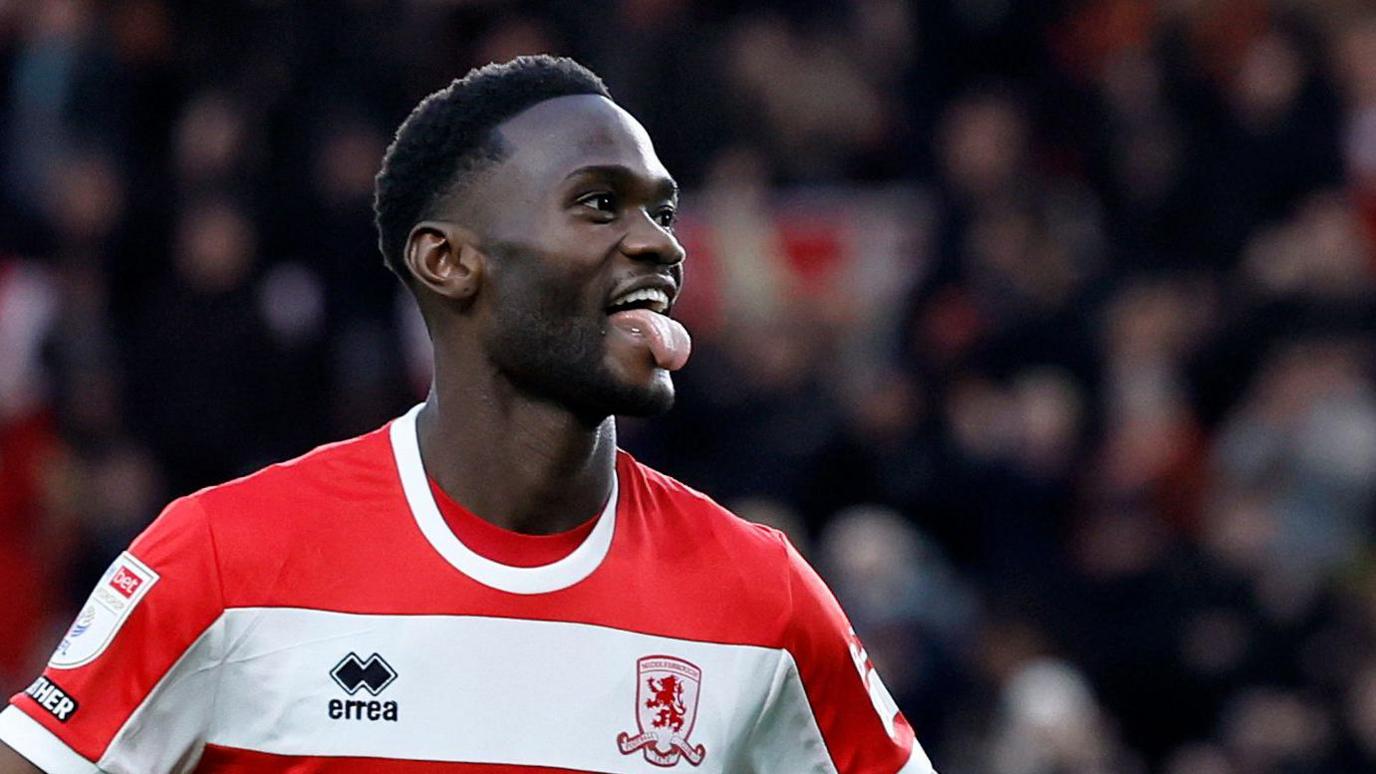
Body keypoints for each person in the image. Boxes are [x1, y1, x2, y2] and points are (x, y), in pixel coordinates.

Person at [0, 56, 935, 773]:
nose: (658, 243)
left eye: (661, 210)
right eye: (600, 205)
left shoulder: (761, 601)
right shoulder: (223, 559)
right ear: (450, 262)